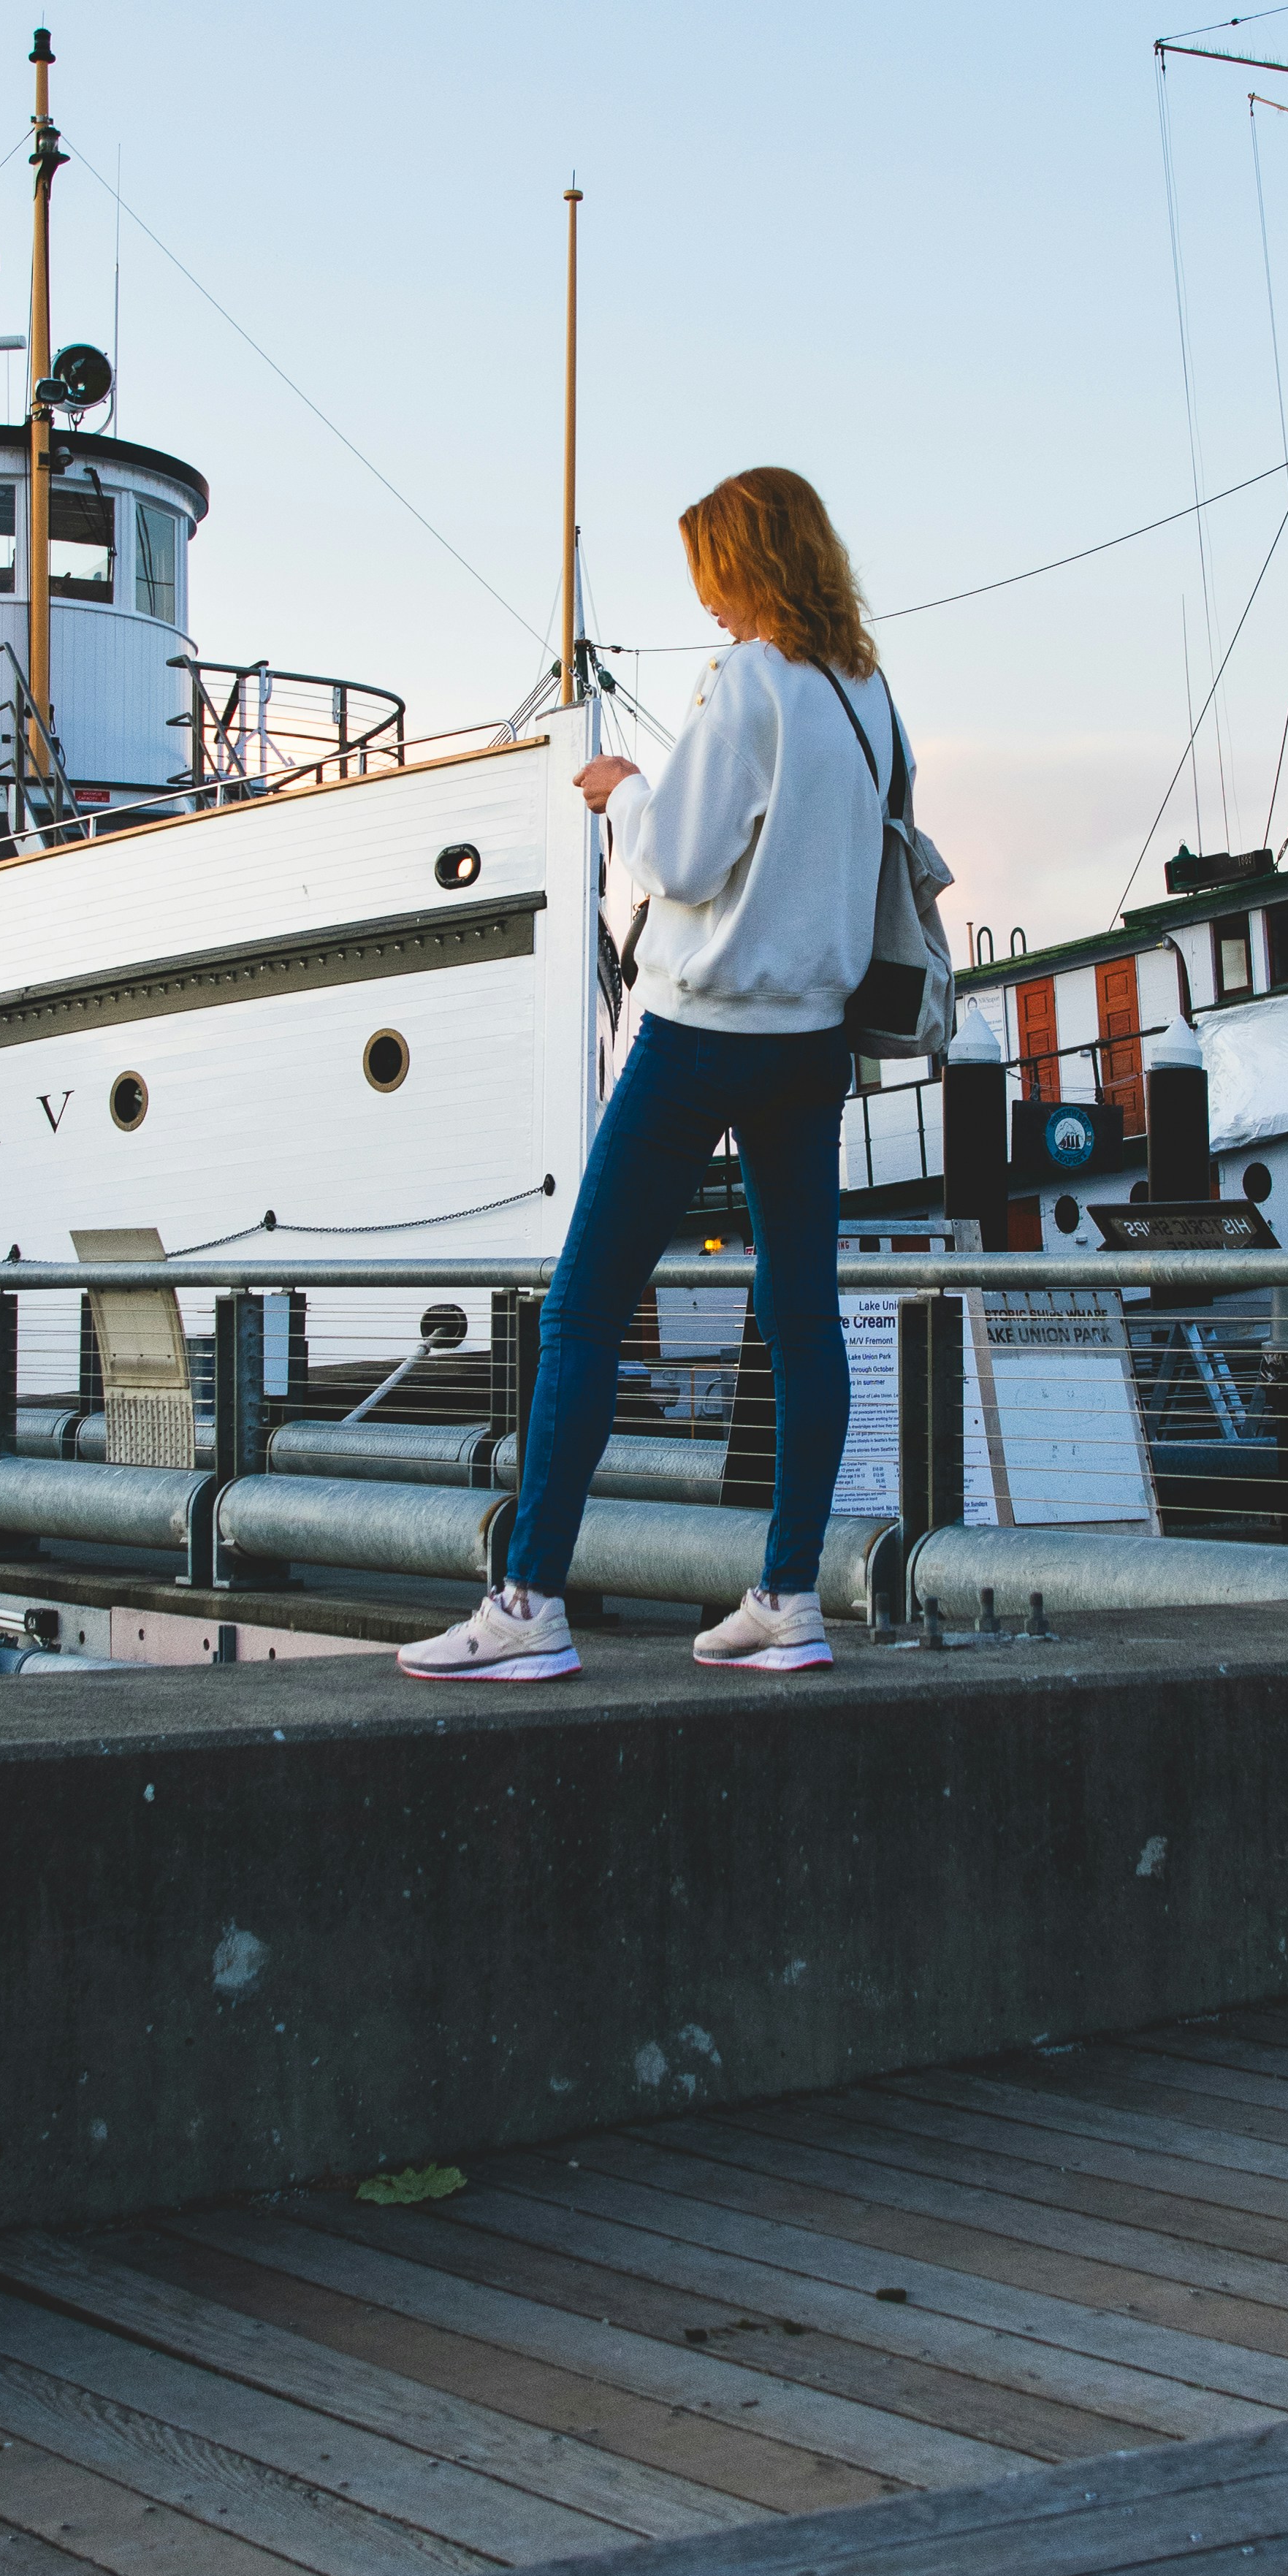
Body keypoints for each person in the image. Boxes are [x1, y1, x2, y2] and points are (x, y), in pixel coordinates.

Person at [399, 465, 900, 1686]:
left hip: (703, 1033)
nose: (710, 606)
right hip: (812, 1043)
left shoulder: (751, 683)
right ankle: (787, 1597)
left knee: (581, 1308)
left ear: (749, 567)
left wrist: (622, 793)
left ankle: (527, 1601)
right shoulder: (866, 691)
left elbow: (680, 861)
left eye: (714, 579)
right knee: (798, 1318)